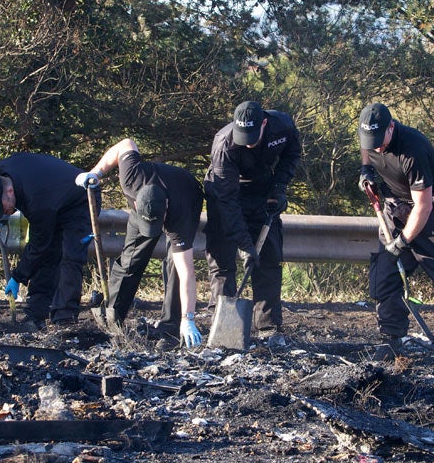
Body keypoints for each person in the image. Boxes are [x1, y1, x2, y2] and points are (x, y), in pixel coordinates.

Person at [356, 102, 434, 366]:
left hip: (433, 211)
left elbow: (423, 205)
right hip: (394, 206)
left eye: (379, 141)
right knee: (384, 272)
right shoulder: (370, 137)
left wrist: (402, 242)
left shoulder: (412, 148)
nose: (376, 146)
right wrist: (366, 170)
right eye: (371, 141)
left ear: (391, 127)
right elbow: (366, 149)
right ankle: (391, 339)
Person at [76, 138, 205, 348]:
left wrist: (188, 319)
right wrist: (96, 172)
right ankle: (112, 319)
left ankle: (171, 328)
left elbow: (187, 273)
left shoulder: (178, 216)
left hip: (188, 195)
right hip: (146, 206)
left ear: (166, 209)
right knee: (131, 258)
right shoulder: (131, 178)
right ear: (135, 201)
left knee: (175, 265)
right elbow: (126, 144)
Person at [203, 100, 301, 339]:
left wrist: (279, 187)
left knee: (268, 257)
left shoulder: (282, 126)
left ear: (264, 123)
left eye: (251, 136)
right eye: (242, 137)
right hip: (224, 191)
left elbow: (292, 153)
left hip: (262, 190)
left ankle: (268, 326)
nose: (246, 143)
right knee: (223, 260)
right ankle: (223, 327)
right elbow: (228, 203)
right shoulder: (224, 144)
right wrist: (244, 244)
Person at [0, 153, 95, 329]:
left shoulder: (37, 200)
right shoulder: (3, 171)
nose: (4, 212)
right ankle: (36, 313)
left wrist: (18, 276)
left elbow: (39, 244)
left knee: (70, 256)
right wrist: (1, 214)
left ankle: (65, 318)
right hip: (55, 199)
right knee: (47, 257)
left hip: (81, 199)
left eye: (2, 208)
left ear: (10, 192)